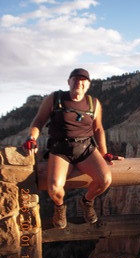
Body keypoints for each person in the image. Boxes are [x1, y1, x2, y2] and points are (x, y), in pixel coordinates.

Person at [23, 68, 124, 229]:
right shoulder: (55, 98)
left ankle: (87, 201)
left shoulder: (93, 103)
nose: (79, 82)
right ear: (68, 82)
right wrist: (31, 138)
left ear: (88, 84)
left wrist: (105, 153)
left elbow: (98, 129)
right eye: (75, 79)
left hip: (85, 149)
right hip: (60, 150)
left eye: (83, 80)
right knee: (55, 188)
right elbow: (39, 120)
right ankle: (60, 207)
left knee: (105, 179)